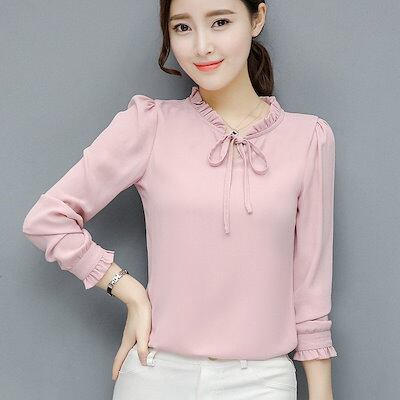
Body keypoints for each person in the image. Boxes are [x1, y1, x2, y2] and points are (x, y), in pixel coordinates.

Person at [22, 1, 338, 399]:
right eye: (183, 28)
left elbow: (311, 290)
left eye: (220, 22)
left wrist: (321, 393)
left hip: (261, 381)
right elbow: (47, 219)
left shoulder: (308, 139)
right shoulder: (149, 124)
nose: (202, 45)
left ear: (257, 19)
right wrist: (128, 291)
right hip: (155, 374)